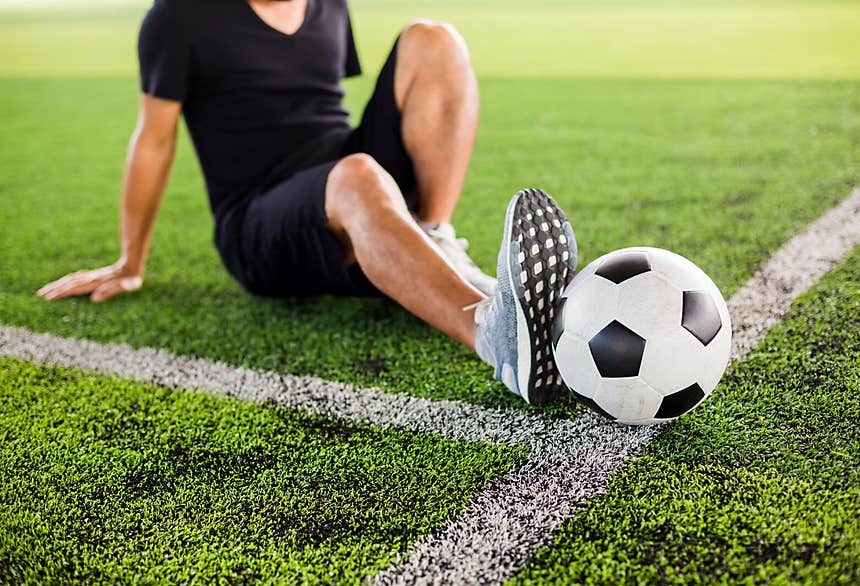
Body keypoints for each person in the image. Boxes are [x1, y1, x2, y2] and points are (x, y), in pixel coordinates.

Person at [37, 0, 578, 404]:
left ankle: (431, 238)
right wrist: (131, 262)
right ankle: (494, 338)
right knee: (357, 176)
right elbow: (153, 141)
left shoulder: (326, 5)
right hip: (256, 220)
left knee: (434, 39)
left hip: (345, 176)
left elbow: (320, 106)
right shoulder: (179, 17)